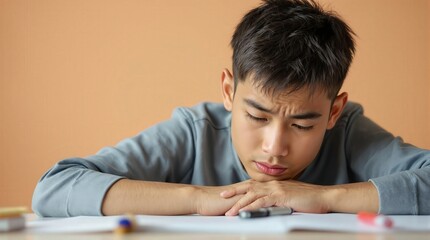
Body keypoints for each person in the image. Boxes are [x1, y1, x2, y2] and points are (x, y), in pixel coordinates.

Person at [32, 0, 430, 217]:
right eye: (257, 117)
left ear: (333, 112)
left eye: (303, 125)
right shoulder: (194, 131)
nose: (275, 147)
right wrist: (204, 199)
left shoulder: (349, 134)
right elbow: (55, 187)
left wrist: (326, 197)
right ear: (228, 90)